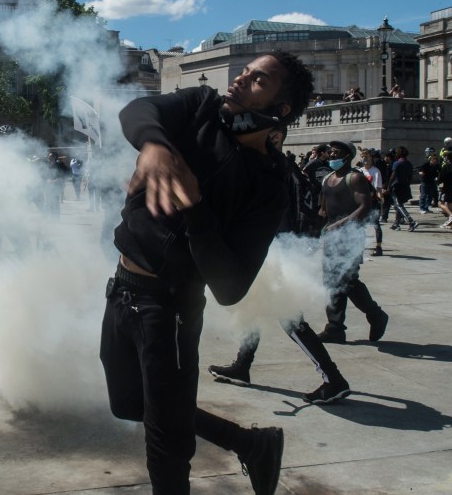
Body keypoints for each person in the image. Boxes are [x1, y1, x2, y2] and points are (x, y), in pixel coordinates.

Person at [100, 50, 314, 494]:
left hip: (170, 309)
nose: (240, 79)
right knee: (127, 404)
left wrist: (196, 210)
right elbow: (138, 109)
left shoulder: (268, 187)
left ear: (281, 108)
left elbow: (230, 287)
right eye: (245, 70)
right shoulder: (200, 106)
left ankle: (249, 447)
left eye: (259, 80)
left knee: (167, 445)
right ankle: (250, 444)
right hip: (121, 289)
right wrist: (154, 144)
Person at [208, 124, 351, 405]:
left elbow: (281, 210)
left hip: (271, 249)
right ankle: (243, 364)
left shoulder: (275, 166)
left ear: (275, 136)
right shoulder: (272, 164)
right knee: (253, 308)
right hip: (265, 248)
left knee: (290, 319)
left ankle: (333, 379)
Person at [317, 140, 389, 345]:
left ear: (347, 156)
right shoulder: (328, 178)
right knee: (332, 281)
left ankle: (376, 315)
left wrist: (340, 224)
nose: (331, 156)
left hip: (350, 237)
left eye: (336, 153)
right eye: (330, 153)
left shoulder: (355, 177)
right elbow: (323, 210)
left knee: (347, 281)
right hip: (332, 238)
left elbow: (364, 207)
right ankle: (335, 328)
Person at [386, 146, 418, 232]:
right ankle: (396, 224)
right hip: (405, 186)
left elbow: (393, 176)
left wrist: (388, 186)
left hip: (397, 186)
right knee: (399, 205)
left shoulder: (397, 163)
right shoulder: (409, 163)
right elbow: (410, 177)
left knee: (398, 205)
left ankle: (411, 221)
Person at [359, 148, 384, 255]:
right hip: (360, 201)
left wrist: (380, 200)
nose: (364, 159)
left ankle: (378, 247)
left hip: (372, 201)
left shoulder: (375, 171)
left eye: (366, 157)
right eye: (363, 157)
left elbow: (378, 188)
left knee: (375, 224)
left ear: (371, 158)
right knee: (360, 225)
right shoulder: (359, 171)